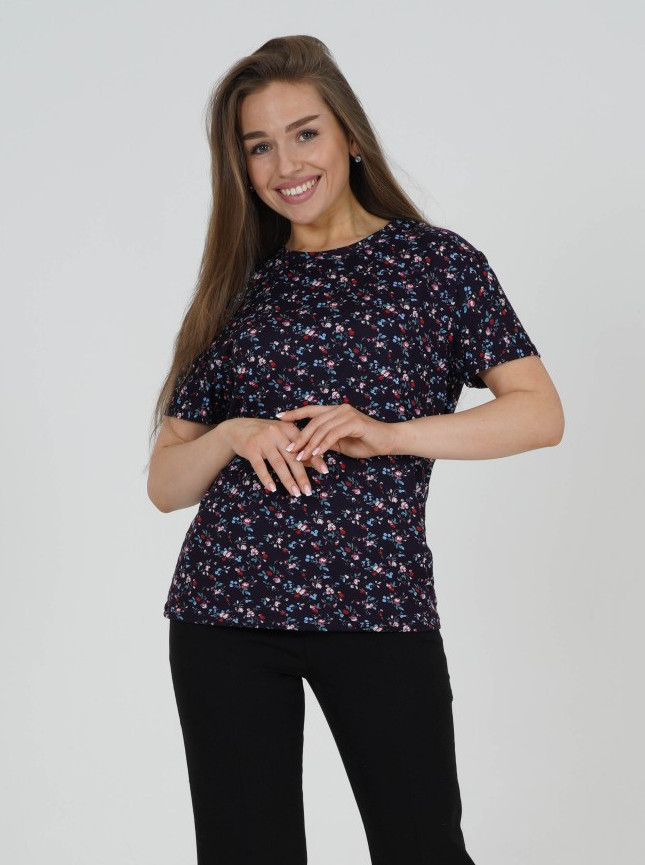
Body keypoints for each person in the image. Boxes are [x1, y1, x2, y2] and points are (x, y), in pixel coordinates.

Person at [147, 34, 564, 865]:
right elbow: (166, 482)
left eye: (304, 133)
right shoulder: (237, 286)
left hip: (377, 602)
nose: (285, 164)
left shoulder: (435, 265)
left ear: (349, 136)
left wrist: (389, 433)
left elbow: (538, 413)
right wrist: (232, 433)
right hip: (224, 612)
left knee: (422, 846)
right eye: (258, 146)